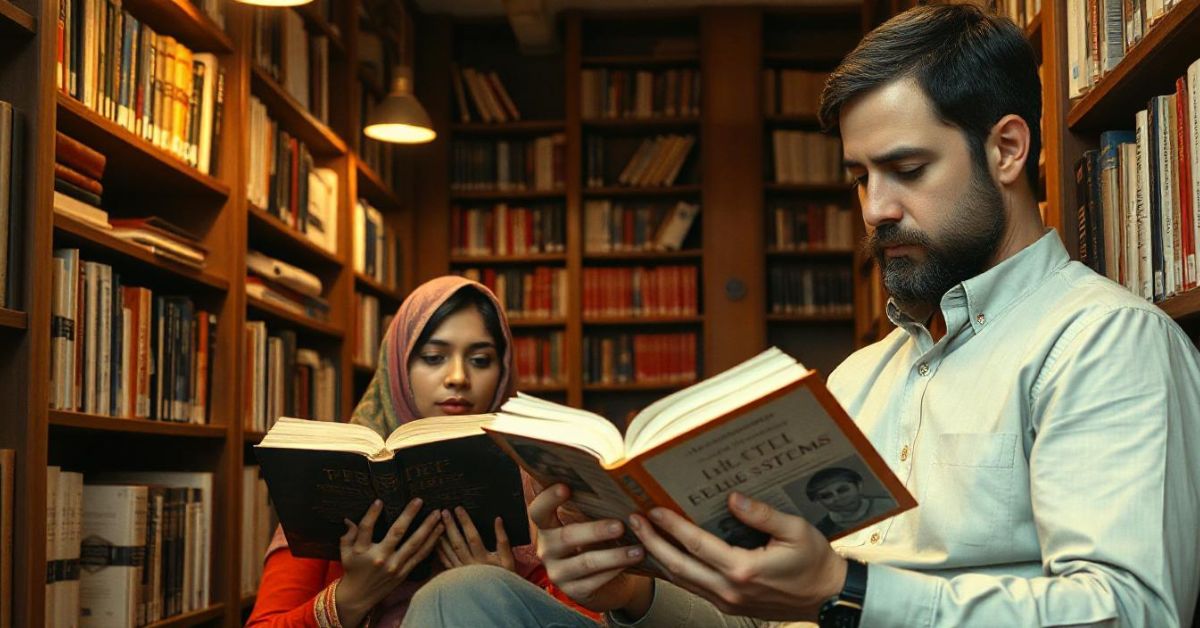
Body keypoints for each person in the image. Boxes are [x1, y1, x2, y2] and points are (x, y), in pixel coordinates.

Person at [400, 5, 1200, 627]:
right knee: (467, 601)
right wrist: (631, 591)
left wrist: (847, 590)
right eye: (858, 177)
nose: (876, 209)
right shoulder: (859, 378)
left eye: (907, 169)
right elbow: (764, 616)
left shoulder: (1101, 342)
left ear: (1008, 149)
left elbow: (1132, 611)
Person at [247, 276, 598, 627]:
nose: (458, 377)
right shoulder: (333, 477)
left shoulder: (545, 489)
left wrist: (500, 592)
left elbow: (589, 617)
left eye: (479, 359)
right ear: (399, 368)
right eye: (434, 357)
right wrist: (352, 596)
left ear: (503, 370)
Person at [798, 467, 895, 538]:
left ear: (858, 485)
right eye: (827, 496)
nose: (837, 498)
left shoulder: (888, 506)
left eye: (843, 490)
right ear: (818, 502)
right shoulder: (822, 531)